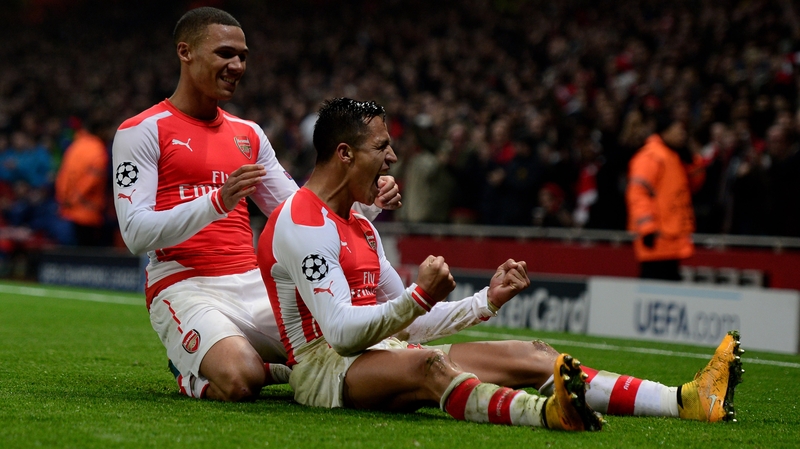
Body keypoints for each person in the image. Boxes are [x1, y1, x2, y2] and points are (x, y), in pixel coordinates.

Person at [258, 98, 743, 431]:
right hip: (327, 372)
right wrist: (417, 295)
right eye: (381, 147)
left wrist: (483, 301)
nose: (393, 157)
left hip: (379, 353)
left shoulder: (360, 225)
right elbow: (341, 333)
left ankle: (687, 399)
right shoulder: (302, 221)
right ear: (344, 153)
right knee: (430, 364)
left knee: (529, 352)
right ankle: (547, 414)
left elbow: (411, 322)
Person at [112, 8, 401, 402]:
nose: (237, 65)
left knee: (350, 348)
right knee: (239, 381)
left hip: (254, 282)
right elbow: (135, 234)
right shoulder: (141, 131)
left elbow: (298, 209)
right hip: (185, 285)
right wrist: (217, 201)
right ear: (186, 52)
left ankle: (263, 364)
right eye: (225, 54)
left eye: (243, 56)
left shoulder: (248, 135)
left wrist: (366, 205)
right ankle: (194, 369)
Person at [626, 114, 704, 281]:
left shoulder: (672, 156)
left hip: (671, 238)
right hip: (656, 238)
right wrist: (647, 227)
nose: (683, 134)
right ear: (665, 132)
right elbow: (638, 193)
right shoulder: (651, 156)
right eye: (678, 130)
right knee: (655, 286)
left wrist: (692, 162)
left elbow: (693, 187)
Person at [55, 119, 110, 246]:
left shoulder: (75, 146)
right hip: (88, 212)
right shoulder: (98, 150)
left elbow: (63, 175)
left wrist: (64, 199)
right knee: (88, 255)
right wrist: (75, 199)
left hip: (68, 209)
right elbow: (92, 181)